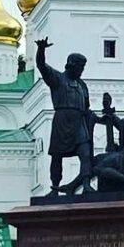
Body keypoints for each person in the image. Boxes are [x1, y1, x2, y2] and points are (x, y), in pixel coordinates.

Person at [35, 37, 93, 194]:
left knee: (86, 153)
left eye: (83, 67)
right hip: (62, 121)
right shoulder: (58, 79)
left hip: (79, 122)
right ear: (71, 66)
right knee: (57, 156)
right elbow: (41, 66)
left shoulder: (82, 85)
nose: (82, 70)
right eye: (80, 67)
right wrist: (41, 49)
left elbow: (87, 108)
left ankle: (86, 184)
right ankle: (55, 188)